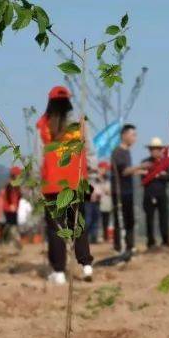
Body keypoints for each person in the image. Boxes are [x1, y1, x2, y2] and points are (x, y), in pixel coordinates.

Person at [38, 85, 93, 284]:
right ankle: (86, 266)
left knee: (56, 228)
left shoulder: (43, 127)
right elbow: (91, 153)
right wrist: (92, 175)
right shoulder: (79, 125)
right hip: (75, 184)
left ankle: (59, 272)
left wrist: (37, 182)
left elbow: (39, 159)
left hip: (52, 185)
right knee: (78, 224)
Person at [111, 124, 147, 252]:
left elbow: (129, 172)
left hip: (128, 191)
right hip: (120, 192)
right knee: (121, 219)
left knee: (130, 219)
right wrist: (140, 167)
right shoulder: (118, 152)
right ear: (124, 135)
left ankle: (130, 246)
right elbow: (124, 171)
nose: (135, 138)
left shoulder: (126, 152)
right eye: (133, 135)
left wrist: (141, 172)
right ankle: (119, 247)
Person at [141, 137, 169, 250]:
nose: (155, 151)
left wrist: (160, 174)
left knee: (164, 219)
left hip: (162, 195)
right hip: (148, 195)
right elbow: (143, 178)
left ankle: (166, 242)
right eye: (153, 149)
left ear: (161, 150)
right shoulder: (145, 163)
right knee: (149, 220)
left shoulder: (165, 164)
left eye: (157, 149)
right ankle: (151, 243)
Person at [0, 165, 24, 247]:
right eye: (18, 175)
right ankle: (13, 240)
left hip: (14, 208)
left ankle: (11, 241)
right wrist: (11, 205)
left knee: (12, 224)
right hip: (9, 208)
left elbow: (19, 196)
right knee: (11, 224)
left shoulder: (16, 185)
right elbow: (8, 195)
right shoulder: (10, 185)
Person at [96, 161, 113, 242]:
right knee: (95, 219)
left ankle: (105, 236)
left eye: (105, 169)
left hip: (106, 202)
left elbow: (108, 191)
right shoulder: (95, 179)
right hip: (96, 202)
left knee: (105, 220)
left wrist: (102, 181)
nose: (104, 170)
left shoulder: (108, 179)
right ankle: (95, 236)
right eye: (102, 169)